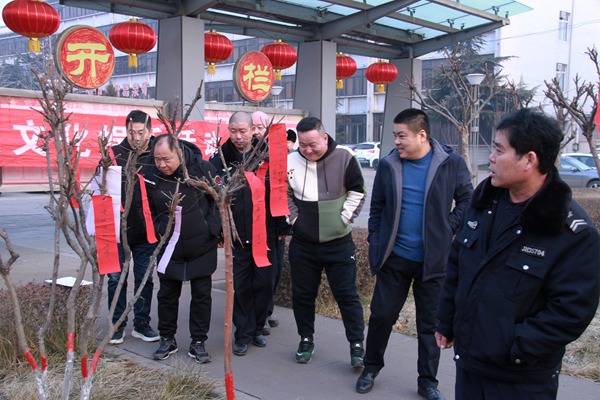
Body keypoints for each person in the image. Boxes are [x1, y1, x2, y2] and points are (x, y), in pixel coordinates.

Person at [435, 108, 600, 400]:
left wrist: (514, 346)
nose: (491, 158)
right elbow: (458, 266)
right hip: (470, 365)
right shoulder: (482, 205)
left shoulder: (571, 233)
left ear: (529, 160)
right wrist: (447, 320)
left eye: (499, 150)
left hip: (521, 379)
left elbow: (570, 312)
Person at [356, 108, 472, 400]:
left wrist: (448, 227)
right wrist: (375, 239)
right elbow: (377, 207)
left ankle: (427, 382)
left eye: (401, 135)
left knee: (430, 325)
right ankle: (371, 368)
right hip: (395, 258)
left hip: (434, 262)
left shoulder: (451, 163)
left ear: (422, 135)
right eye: (394, 135)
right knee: (382, 316)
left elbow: (467, 201)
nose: (396, 141)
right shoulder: (388, 165)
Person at [286, 116, 366, 366]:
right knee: (302, 295)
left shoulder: (345, 157)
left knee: (347, 295)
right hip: (303, 244)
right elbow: (282, 194)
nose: (308, 150)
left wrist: (344, 219)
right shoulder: (290, 160)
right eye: (303, 145)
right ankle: (305, 339)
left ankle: (357, 345)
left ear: (324, 137)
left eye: (313, 145)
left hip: (338, 243)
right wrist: (294, 219)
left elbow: (358, 190)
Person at [210, 111, 285, 356]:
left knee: (264, 283)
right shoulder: (221, 159)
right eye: (233, 131)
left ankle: (257, 327)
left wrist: (283, 226)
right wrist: (219, 231)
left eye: (243, 131)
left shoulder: (268, 156)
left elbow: (281, 190)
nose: (238, 136)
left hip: (265, 233)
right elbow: (213, 196)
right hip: (237, 235)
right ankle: (242, 334)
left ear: (253, 130)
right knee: (241, 287)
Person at [144, 134, 221, 363]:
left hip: (202, 245)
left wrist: (211, 230)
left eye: (166, 159)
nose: (161, 164)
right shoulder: (150, 174)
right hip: (169, 245)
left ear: (179, 153)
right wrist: (158, 230)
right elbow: (145, 206)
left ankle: (198, 341)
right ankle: (167, 338)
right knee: (167, 295)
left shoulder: (203, 169)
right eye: (157, 159)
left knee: (201, 296)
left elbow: (220, 201)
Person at [106, 109, 159, 345]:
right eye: (131, 132)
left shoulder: (158, 153)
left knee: (144, 278)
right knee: (115, 279)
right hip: (118, 231)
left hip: (147, 231)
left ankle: (141, 323)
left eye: (140, 132)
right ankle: (117, 324)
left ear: (149, 131)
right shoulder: (114, 154)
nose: (136, 138)